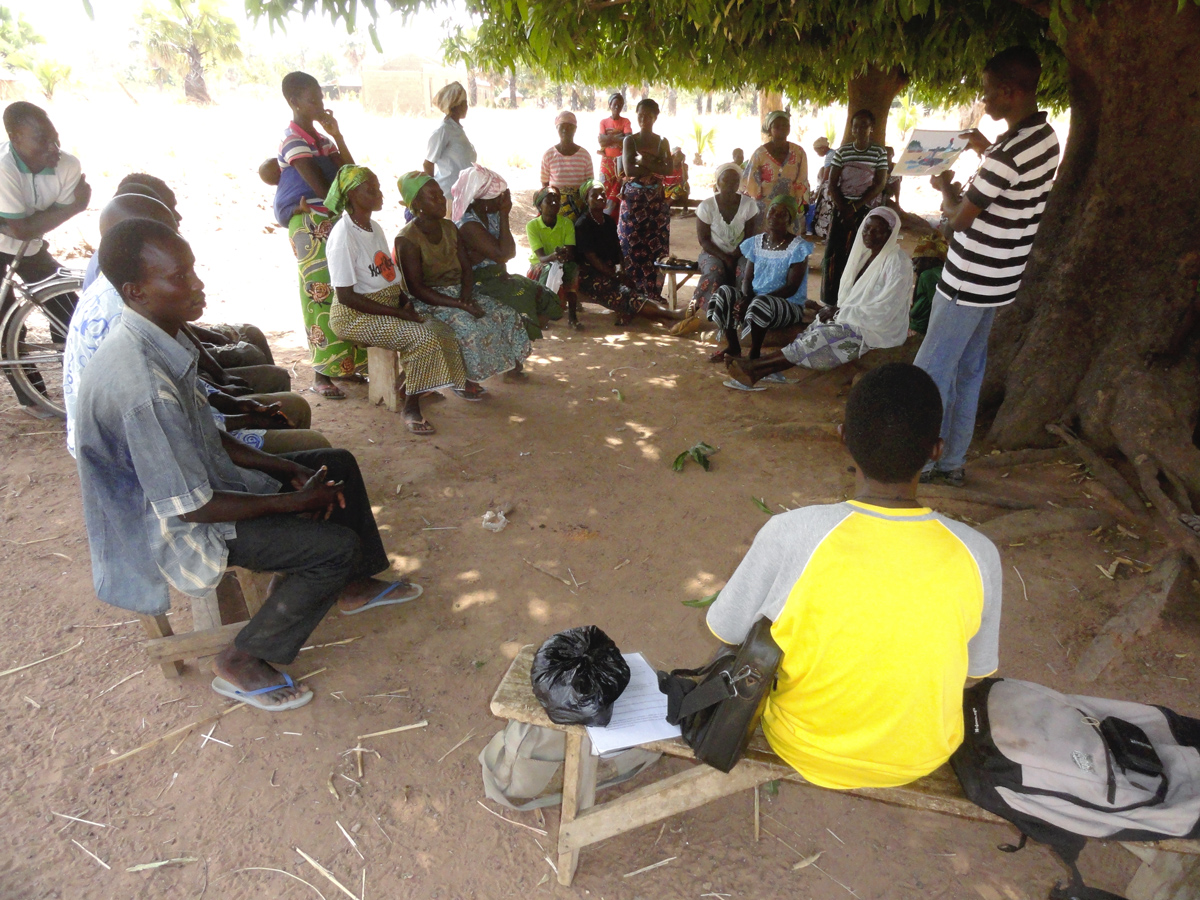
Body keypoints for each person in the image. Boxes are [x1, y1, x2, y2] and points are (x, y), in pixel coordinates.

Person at [77, 218, 414, 712]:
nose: (197, 284)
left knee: (333, 460)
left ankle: (354, 585)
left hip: (202, 485)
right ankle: (241, 659)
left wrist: (283, 471)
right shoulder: (143, 384)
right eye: (180, 277)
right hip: (172, 524)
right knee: (333, 547)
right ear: (136, 290)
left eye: (193, 270)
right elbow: (193, 509)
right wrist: (292, 501)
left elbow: (204, 433)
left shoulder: (155, 336)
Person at [705, 362, 1001, 789]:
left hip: (803, 744)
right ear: (936, 450)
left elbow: (728, 631)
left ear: (843, 440)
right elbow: (975, 671)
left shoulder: (792, 533)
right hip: (920, 755)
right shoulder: (979, 554)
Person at [64, 194, 328, 456]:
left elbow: (184, 383)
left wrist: (228, 398)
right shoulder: (122, 320)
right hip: (138, 452)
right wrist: (244, 421)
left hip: (178, 428)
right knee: (314, 446)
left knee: (291, 411)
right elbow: (177, 435)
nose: (198, 283)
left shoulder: (131, 294)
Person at [915, 47, 1060, 487]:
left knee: (931, 371)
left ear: (1009, 92)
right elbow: (1009, 187)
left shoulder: (1006, 154)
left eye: (989, 94)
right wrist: (986, 149)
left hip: (967, 277)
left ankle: (917, 462)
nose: (985, 102)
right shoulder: (1045, 137)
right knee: (970, 371)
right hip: (999, 279)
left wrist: (944, 189)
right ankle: (952, 461)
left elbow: (958, 222)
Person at [325, 166, 471, 436]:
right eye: (371, 190)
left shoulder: (373, 227)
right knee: (422, 338)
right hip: (354, 315)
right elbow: (346, 296)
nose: (380, 194)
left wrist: (404, 301)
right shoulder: (343, 236)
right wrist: (399, 314)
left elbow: (389, 273)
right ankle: (410, 408)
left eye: (379, 188)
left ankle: (417, 386)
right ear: (352, 195)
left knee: (442, 331)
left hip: (385, 304)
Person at [726, 209, 912, 387]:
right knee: (814, 331)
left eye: (876, 231)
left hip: (878, 328)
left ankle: (754, 367)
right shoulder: (866, 256)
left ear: (889, 233)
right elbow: (853, 298)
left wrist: (840, 312)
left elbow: (888, 306)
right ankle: (757, 371)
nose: (869, 234)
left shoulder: (897, 261)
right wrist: (836, 311)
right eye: (866, 229)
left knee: (822, 337)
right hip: (855, 319)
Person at [274, 71, 368, 399]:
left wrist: (337, 136)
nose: (319, 104)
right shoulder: (293, 139)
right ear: (293, 101)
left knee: (345, 290)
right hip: (311, 225)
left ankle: (345, 366)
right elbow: (324, 189)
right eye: (312, 99)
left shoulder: (322, 140)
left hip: (330, 221)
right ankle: (320, 373)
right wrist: (350, 206)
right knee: (319, 293)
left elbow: (352, 173)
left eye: (321, 98)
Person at [396, 171, 532, 390]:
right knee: (470, 327)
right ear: (417, 203)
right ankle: (462, 381)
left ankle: (508, 366)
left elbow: (466, 269)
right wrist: (460, 305)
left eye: (441, 194)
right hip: (430, 300)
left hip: (458, 292)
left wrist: (466, 296)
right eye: (433, 197)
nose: (442, 200)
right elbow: (417, 288)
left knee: (505, 314)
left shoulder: (450, 228)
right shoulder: (407, 239)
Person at [0, 101, 89, 389]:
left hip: (29, 246)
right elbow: (26, 227)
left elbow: (27, 229)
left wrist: (24, 225)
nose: (53, 148)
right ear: (15, 139)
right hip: (18, 241)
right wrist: (74, 208)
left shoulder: (68, 164)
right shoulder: (4, 167)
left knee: (69, 309)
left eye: (54, 138)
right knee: (7, 327)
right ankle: (31, 395)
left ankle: (78, 384)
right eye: (42, 140)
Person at [453, 163, 562, 340]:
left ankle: (515, 351)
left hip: (499, 276)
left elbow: (509, 252)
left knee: (546, 298)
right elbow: (504, 254)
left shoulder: (490, 214)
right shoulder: (467, 224)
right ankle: (514, 354)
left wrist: (501, 219)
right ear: (482, 200)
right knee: (522, 301)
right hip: (479, 282)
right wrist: (504, 215)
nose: (504, 199)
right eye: (498, 196)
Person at [706, 195, 813, 365]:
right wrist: (746, 298)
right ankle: (734, 347)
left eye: (781, 214)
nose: (774, 217)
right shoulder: (756, 242)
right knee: (724, 293)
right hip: (756, 300)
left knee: (760, 303)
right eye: (772, 211)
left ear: (790, 219)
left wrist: (753, 301)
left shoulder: (798, 247)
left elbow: (791, 288)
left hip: (787, 304)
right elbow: (747, 279)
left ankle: (754, 356)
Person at [824, 110, 890, 306]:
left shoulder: (879, 152)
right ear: (851, 129)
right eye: (855, 126)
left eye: (864, 125)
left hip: (866, 209)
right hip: (841, 207)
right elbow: (832, 183)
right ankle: (831, 299)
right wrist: (844, 208)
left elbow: (879, 184)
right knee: (835, 252)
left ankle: (855, 299)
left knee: (861, 252)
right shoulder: (843, 152)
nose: (859, 129)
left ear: (872, 128)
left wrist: (856, 207)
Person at [619, 98, 672, 306]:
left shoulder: (662, 142)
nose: (644, 119)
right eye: (640, 115)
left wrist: (645, 161)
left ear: (655, 117)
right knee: (631, 245)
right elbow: (629, 170)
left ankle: (653, 291)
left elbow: (668, 170)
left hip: (656, 204)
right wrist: (655, 164)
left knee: (656, 246)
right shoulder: (629, 141)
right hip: (633, 203)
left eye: (648, 115)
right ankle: (632, 293)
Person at [688, 162, 758, 319]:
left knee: (746, 270)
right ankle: (713, 311)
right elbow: (704, 241)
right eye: (725, 180)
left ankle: (740, 311)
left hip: (741, 251)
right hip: (712, 252)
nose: (730, 184)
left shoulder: (749, 205)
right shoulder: (706, 206)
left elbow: (750, 237)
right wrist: (726, 258)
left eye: (734, 180)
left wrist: (736, 255)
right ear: (718, 182)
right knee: (714, 270)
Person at [574, 181, 639, 326]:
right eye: (594, 195)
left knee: (631, 285)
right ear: (586, 200)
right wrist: (614, 275)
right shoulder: (582, 224)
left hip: (607, 270)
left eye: (602, 194)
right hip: (589, 273)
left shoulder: (608, 221)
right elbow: (591, 257)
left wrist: (621, 269)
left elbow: (617, 249)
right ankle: (665, 316)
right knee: (621, 290)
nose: (600, 197)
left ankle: (631, 310)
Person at [740, 110, 809, 233]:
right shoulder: (759, 154)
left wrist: (797, 202)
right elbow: (750, 182)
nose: (782, 128)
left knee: (789, 242)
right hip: (766, 207)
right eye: (777, 126)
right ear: (769, 129)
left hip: (789, 206)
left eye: (785, 125)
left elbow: (802, 179)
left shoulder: (799, 152)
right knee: (766, 241)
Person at [526, 186, 581, 329]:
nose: (555, 204)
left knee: (572, 268)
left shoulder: (567, 223)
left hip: (561, 261)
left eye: (557, 200)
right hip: (540, 264)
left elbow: (570, 252)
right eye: (549, 201)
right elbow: (541, 258)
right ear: (539, 206)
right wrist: (555, 256)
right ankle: (542, 315)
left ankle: (572, 316)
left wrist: (562, 256)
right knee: (547, 269)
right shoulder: (532, 226)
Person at [423, 82, 477, 198]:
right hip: (447, 195)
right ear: (455, 106)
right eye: (464, 103)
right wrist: (432, 194)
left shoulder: (456, 130)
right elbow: (428, 164)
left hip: (461, 194)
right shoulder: (443, 131)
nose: (466, 107)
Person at [540, 111, 594, 221]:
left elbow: (590, 184)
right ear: (557, 128)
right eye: (562, 126)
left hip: (580, 208)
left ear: (575, 129)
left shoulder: (584, 155)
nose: (565, 130)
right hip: (556, 206)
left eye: (570, 126)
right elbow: (545, 185)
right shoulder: (549, 155)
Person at [596, 93, 632, 219]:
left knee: (620, 190)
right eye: (614, 104)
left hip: (621, 162)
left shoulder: (626, 121)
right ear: (610, 105)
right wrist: (618, 137)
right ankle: (604, 218)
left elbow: (628, 140)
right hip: (606, 162)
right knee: (604, 189)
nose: (617, 106)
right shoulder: (604, 122)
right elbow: (601, 141)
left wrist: (608, 138)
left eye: (620, 104)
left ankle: (617, 221)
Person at [908, 233, 948, 337]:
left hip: (921, 327)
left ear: (930, 259)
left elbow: (936, 305)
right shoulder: (940, 272)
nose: (914, 267)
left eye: (917, 261)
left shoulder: (928, 275)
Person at [809, 135, 835, 237]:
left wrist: (817, 193)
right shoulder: (833, 153)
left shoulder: (829, 156)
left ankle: (824, 231)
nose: (817, 153)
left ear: (822, 148)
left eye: (817, 151)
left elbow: (826, 177)